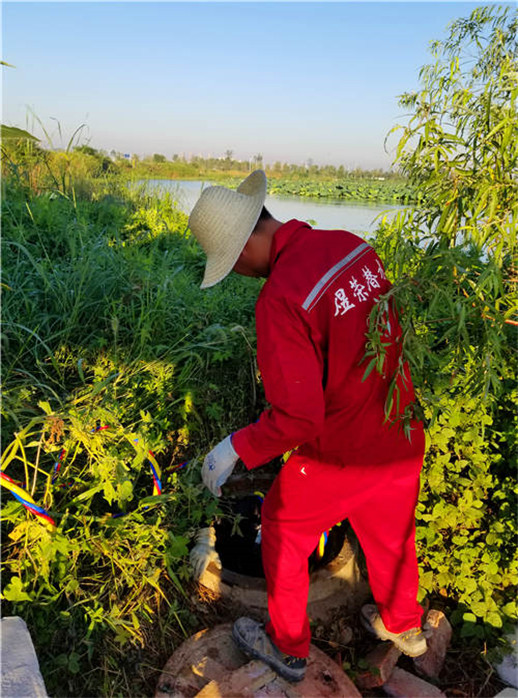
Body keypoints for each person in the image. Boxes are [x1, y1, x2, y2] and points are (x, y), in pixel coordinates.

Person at [187, 170, 427, 683]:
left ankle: (289, 648)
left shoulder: (280, 299)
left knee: (280, 528)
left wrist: (237, 446)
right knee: (391, 535)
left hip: (342, 453)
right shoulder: (351, 247)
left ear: (250, 238)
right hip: (400, 427)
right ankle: (404, 626)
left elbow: (299, 416)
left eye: (234, 262)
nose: (240, 273)